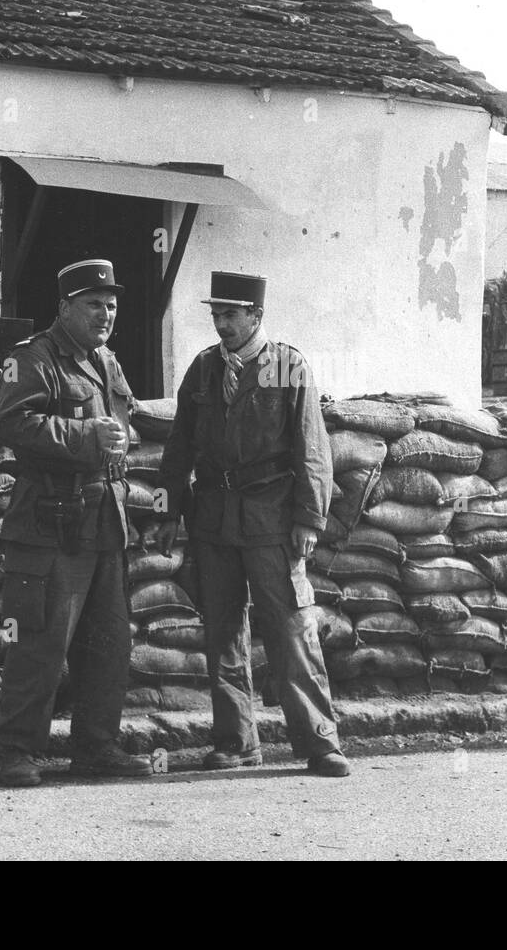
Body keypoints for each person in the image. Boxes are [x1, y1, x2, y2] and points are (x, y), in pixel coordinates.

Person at [154, 271, 349, 777]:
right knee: (222, 632)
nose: (221, 324)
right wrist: (166, 508)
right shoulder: (202, 370)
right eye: (216, 315)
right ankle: (236, 740)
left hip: (271, 519)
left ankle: (319, 741)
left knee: (291, 628)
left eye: (231, 315)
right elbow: (179, 448)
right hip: (214, 519)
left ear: (256, 316)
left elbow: (313, 448)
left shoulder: (286, 366)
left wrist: (309, 516)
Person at [0, 258, 151, 786]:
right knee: (40, 641)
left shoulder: (107, 362)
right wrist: (86, 438)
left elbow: (122, 424)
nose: (105, 313)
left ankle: (96, 747)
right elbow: (10, 423)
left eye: (111, 304)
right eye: (93, 305)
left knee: (109, 644)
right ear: (64, 309)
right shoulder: (33, 358)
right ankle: (16, 750)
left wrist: (124, 443)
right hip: (50, 522)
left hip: (105, 521)